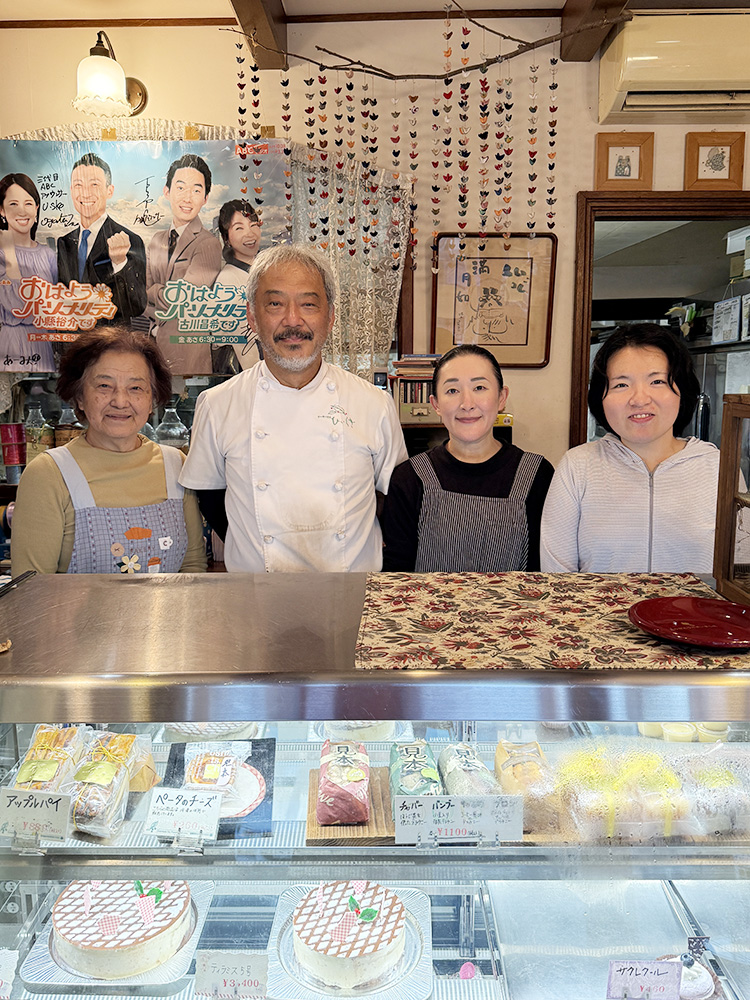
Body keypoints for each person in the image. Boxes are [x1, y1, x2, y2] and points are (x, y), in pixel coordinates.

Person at [180, 243, 408, 572]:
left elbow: (392, 499)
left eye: (308, 304)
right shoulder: (217, 405)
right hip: (256, 595)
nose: (292, 320)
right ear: (252, 317)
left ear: (330, 318)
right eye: (275, 303)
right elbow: (212, 497)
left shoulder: (374, 403)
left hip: (353, 592)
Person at [11, 324, 206, 575]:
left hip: (168, 615)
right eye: (104, 386)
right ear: (79, 396)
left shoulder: (176, 464)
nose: (120, 401)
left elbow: (192, 569)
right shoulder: (48, 473)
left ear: (152, 400)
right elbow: (31, 591)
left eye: (135, 388)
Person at [540, 323, 718, 574]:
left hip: (695, 613)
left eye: (657, 381)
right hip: (597, 613)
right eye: (621, 385)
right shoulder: (578, 466)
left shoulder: (719, 468)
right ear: (601, 397)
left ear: (683, 390)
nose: (639, 399)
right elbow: (557, 575)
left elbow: (741, 575)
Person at [381, 345, 554, 572]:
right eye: (452, 391)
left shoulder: (537, 475)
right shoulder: (409, 478)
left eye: (480, 387)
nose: (467, 403)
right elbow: (397, 575)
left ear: (501, 398)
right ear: (436, 405)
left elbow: (544, 571)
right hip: (430, 607)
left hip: (514, 607)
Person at [146, 154, 222, 375]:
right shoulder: (156, 239)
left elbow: (183, 300)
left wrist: (155, 292)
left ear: (206, 198)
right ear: (167, 192)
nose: (187, 198)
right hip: (153, 353)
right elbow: (142, 296)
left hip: (189, 357)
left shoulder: (208, 243)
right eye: (181, 188)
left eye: (197, 190)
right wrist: (158, 294)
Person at [57, 153, 146, 323]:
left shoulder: (131, 240)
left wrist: (119, 263)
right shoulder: (64, 242)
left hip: (111, 344)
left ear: (109, 191)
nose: (85, 193)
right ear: (71, 190)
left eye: (94, 185)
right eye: (78, 185)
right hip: (71, 342)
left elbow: (136, 307)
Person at [0, 172, 56, 372]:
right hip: (10, 345)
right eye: (13, 204)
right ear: (2, 210)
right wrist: (8, 250)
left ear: (37, 208)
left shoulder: (48, 254)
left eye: (29, 203)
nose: (22, 211)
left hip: (43, 345)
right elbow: (15, 305)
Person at [215, 199, 263, 372]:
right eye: (239, 228)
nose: (249, 234)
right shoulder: (227, 279)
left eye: (253, 225)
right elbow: (242, 342)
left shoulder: (262, 272)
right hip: (246, 371)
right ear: (226, 239)